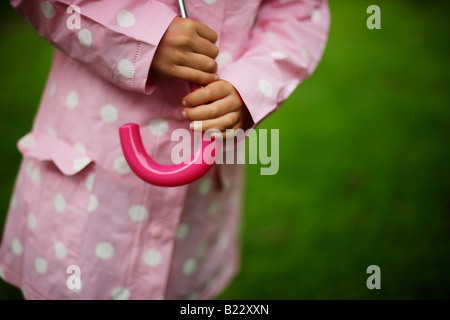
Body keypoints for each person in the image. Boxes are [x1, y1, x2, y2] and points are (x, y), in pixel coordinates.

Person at [0, 0, 330, 299]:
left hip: (195, 207)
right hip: (90, 186)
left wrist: (251, 86)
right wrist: (142, 37)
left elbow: (299, 11)